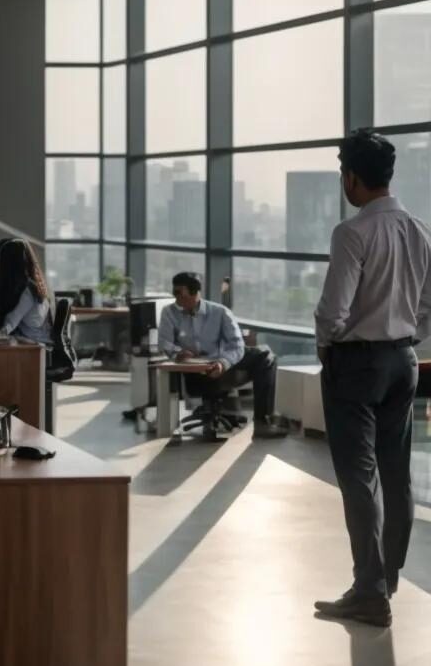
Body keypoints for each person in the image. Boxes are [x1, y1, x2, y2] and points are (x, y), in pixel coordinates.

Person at [310, 129, 431, 628]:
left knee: (358, 476)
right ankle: (388, 575)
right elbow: (427, 307)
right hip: (404, 361)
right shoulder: (420, 230)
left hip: (356, 364)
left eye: (344, 174)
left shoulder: (353, 233)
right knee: (395, 470)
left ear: (352, 177)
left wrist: (328, 347)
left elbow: (332, 311)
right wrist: (405, 338)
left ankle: (368, 589)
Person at [158, 270, 284, 439]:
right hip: (195, 371)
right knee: (263, 354)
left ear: (194, 292)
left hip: (220, 365)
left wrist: (223, 363)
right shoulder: (169, 312)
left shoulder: (220, 312)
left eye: (178, 293)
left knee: (266, 355)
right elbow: (164, 342)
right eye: (174, 292)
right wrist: (177, 352)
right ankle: (245, 414)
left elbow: (237, 345)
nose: (175, 297)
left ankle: (262, 420)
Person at [0, 237, 52, 345]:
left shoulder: (27, 292)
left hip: (35, 348)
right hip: (32, 344)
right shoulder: (28, 285)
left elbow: (7, 326)